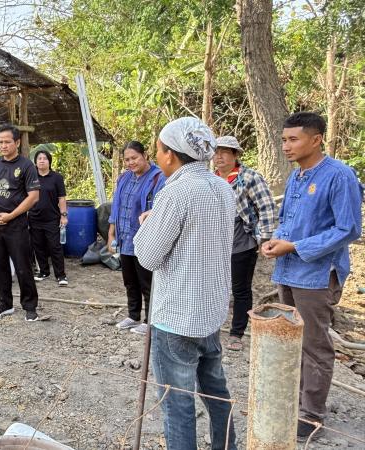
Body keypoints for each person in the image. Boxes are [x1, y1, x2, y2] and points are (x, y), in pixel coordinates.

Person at [134, 117, 237, 450]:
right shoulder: (222, 187)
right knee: (216, 391)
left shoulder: (175, 193)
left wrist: (147, 226)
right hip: (210, 312)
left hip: (176, 317)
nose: (158, 155)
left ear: (170, 154)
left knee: (177, 403)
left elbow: (148, 257)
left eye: (159, 150)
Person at [262, 112, 362, 438]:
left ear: (316, 139)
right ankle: (296, 402)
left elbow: (348, 229)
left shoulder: (339, 176)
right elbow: (287, 219)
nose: (286, 146)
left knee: (315, 345)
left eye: (293, 139)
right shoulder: (296, 176)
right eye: (284, 139)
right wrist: (278, 239)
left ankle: (312, 415)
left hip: (317, 275)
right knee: (290, 340)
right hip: (288, 270)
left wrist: (293, 246)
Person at [213, 135, 277, 351]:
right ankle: (211, 327)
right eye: (215, 151)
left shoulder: (248, 178)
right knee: (214, 287)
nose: (219, 156)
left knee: (240, 289)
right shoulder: (210, 179)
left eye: (224, 152)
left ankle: (236, 333)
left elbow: (267, 208)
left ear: (235, 155)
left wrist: (266, 238)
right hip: (214, 242)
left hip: (241, 241)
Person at [0, 124, 41, 321]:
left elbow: (33, 196)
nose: (3, 145)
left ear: (16, 142)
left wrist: (11, 215)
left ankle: (30, 306)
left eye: (7, 142)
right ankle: (4, 304)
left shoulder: (26, 166)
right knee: (0, 265)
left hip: (16, 226)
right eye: (0, 142)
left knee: (23, 267)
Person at [108, 141, 165, 335]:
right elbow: (116, 205)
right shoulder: (124, 178)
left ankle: (151, 320)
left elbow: (159, 208)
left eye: (134, 158)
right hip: (125, 237)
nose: (131, 163)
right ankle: (133, 315)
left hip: (144, 239)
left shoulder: (158, 178)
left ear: (145, 155)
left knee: (147, 282)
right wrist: (111, 233)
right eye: (127, 159)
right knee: (129, 280)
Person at [28, 148, 68, 287]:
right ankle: (44, 271)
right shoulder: (31, 177)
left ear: (49, 161)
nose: (42, 161)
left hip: (52, 218)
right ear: (36, 162)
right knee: (38, 246)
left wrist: (63, 216)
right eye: (39, 159)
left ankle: (61, 275)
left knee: (55, 246)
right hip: (34, 218)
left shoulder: (56, 177)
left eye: (45, 158)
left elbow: (61, 198)